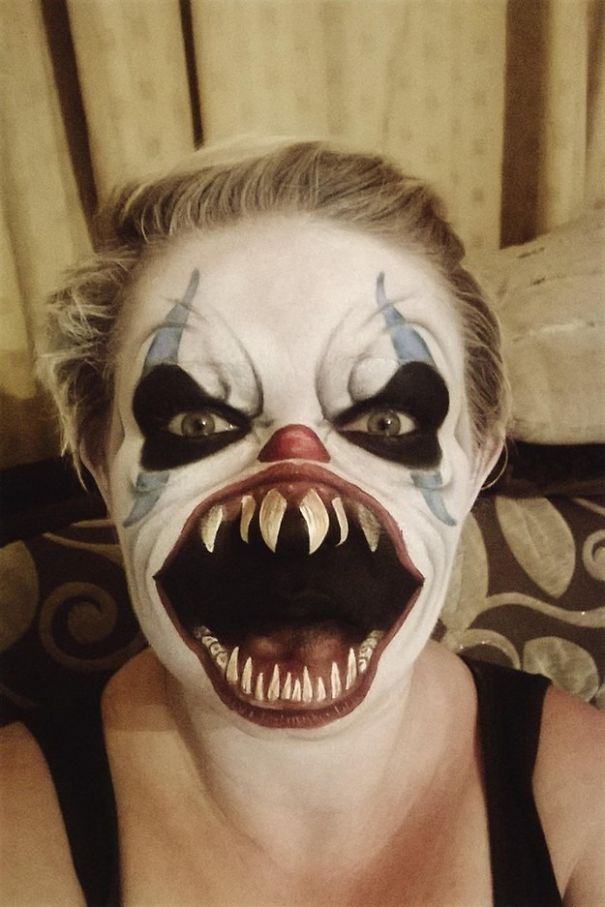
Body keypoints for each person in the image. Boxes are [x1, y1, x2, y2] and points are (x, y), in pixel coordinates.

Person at [1, 140, 603, 906]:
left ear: (477, 456)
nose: (290, 508)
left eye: (385, 421)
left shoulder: (582, 799)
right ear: (100, 460)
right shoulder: (16, 826)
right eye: (194, 422)